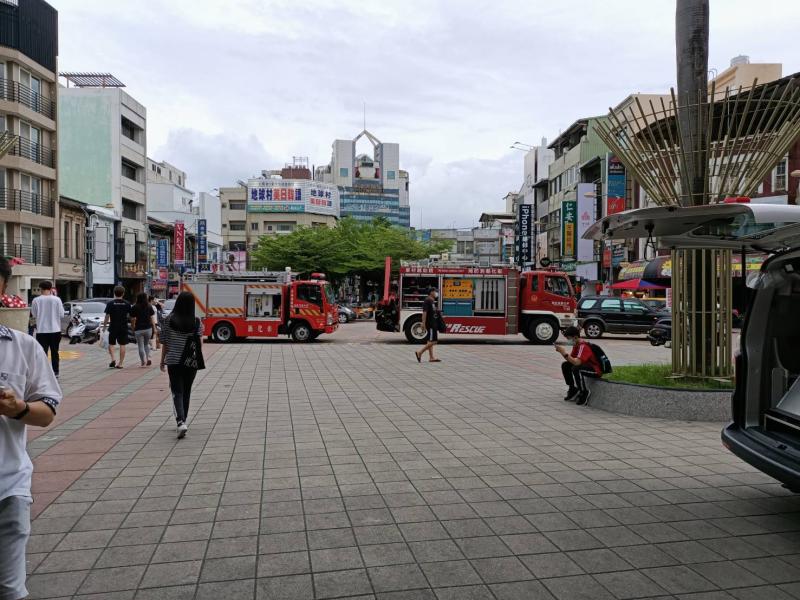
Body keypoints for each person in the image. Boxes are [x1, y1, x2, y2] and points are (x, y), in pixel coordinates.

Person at [0, 257, 61, 600]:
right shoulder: (47, 302)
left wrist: (19, 408)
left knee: (10, 590)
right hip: (51, 334)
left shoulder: (21, 347)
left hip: (9, 486)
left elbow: (47, 413)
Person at [160, 291, 204, 438]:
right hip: (190, 361)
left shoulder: (168, 320)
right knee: (187, 391)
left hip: (173, 360)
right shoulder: (197, 321)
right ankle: (183, 420)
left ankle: (180, 421)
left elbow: (165, 343)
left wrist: (162, 361)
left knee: (177, 391)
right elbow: (199, 344)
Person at [556, 325, 602, 406]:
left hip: (596, 370)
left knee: (576, 368)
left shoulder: (583, 346)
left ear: (575, 337)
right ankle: (572, 388)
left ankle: (584, 392)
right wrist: (563, 353)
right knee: (566, 365)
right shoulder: (576, 345)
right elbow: (571, 360)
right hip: (586, 366)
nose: (568, 341)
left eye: (569, 338)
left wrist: (563, 352)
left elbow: (576, 363)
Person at [29, 281, 64, 378]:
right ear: (50, 288)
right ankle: (56, 372)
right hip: (55, 330)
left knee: (42, 353)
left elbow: (34, 314)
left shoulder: (36, 300)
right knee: (55, 352)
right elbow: (61, 314)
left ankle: (43, 372)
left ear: (41, 288)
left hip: (42, 330)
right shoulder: (57, 300)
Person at [103, 286, 131, 369]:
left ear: (114, 293)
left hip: (113, 326)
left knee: (111, 344)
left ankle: (113, 359)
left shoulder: (110, 303)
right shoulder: (127, 303)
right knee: (122, 344)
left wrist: (104, 326)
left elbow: (107, 316)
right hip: (123, 326)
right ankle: (120, 363)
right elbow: (130, 315)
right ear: (123, 293)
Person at [414, 288, 441, 363]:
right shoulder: (427, 300)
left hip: (433, 322)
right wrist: (423, 323)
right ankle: (420, 352)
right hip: (431, 324)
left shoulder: (431, 301)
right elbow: (424, 312)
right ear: (431, 292)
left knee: (430, 340)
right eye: (435, 291)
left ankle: (431, 357)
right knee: (434, 341)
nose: (436, 293)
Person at [131, 292, 156, 368]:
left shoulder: (135, 307)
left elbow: (132, 319)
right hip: (148, 328)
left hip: (138, 329)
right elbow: (152, 318)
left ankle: (143, 362)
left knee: (140, 346)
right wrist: (154, 328)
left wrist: (133, 327)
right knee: (146, 344)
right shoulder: (149, 306)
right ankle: (148, 358)